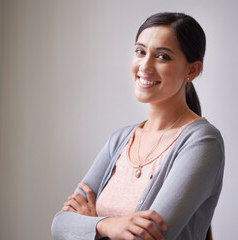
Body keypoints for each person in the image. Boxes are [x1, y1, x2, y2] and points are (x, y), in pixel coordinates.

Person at [51, 12, 224, 240]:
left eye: (162, 56)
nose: (145, 65)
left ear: (191, 70)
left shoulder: (202, 142)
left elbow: (147, 237)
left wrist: (89, 225)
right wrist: (107, 226)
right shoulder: (120, 140)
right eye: (140, 52)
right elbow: (59, 226)